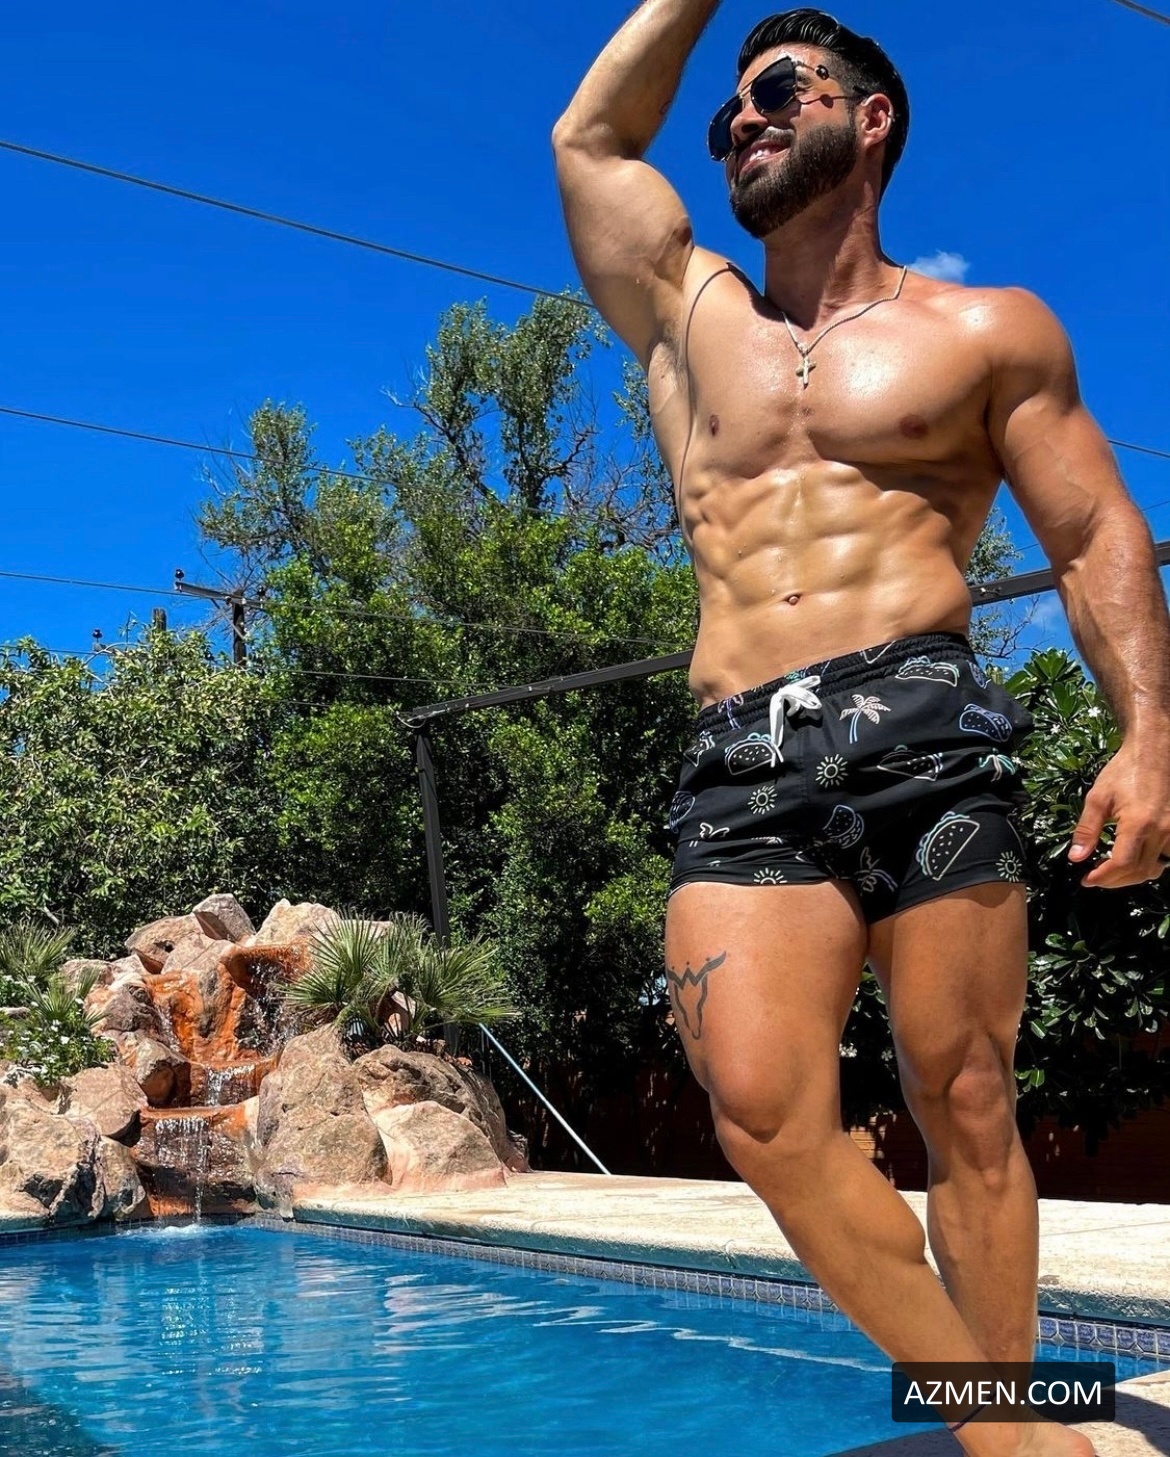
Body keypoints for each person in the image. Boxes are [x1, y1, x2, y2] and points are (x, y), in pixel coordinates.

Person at [552, 4, 1170, 1451]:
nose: (741, 122)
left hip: (925, 724)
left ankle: (994, 1427)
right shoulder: (687, 310)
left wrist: (1147, 732)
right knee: (763, 1116)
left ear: (868, 117)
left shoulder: (985, 330)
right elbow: (589, 140)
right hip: (741, 752)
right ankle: (1019, 1430)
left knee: (966, 1098)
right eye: (728, 114)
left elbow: (1091, 532)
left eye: (778, 90)